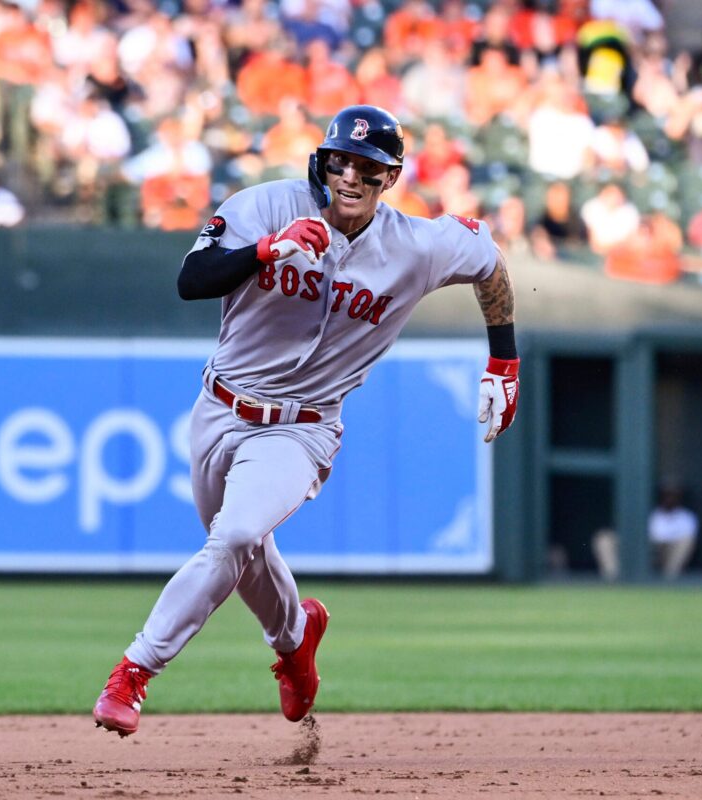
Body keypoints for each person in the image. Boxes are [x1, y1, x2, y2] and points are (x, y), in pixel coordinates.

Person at [91, 105, 520, 737]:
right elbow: (191, 280)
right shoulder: (265, 206)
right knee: (243, 546)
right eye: (341, 160)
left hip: (304, 427)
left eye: (368, 168)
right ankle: (296, 640)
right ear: (323, 161)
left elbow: (490, 263)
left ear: (389, 178)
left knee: (234, 538)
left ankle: (133, 673)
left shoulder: (416, 245)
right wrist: (266, 249)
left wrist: (504, 359)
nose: (351, 176)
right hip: (219, 409)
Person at [647, 480, 698, 579]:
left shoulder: (686, 516)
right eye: (667, 495)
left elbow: (687, 536)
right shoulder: (652, 514)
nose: (670, 499)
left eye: (674, 495)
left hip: (672, 549)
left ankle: (670, 579)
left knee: (686, 541)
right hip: (653, 549)